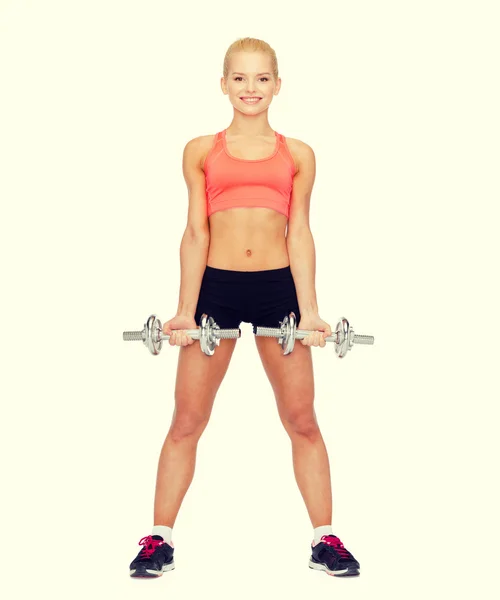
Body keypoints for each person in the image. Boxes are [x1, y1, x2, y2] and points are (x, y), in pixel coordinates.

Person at [129, 37, 360, 579]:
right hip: (218, 289)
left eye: (261, 79)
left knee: (301, 420)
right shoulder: (200, 150)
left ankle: (325, 540)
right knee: (187, 420)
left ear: (277, 85)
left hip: (278, 289)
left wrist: (310, 311)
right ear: (223, 83)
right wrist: (185, 311)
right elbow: (194, 231)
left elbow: (300, 232)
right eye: (239, 78)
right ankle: (157, 540)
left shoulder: (298, 153)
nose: (250, 89)